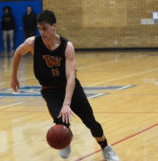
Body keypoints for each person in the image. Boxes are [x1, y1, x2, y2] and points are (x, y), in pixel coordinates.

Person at [10, 10, 119, 161]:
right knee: (60, 122)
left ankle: (106, 148)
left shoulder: (67, 47)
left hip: (70, 87)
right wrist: (13, 76)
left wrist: (67, 103)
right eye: (39, 28)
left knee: (90, 121)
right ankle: (66, 138)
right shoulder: (33, 43)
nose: (42, 32)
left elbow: (70, 77)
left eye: (45, 28)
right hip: (50, 91)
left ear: (54, 26)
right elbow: (17, 53)